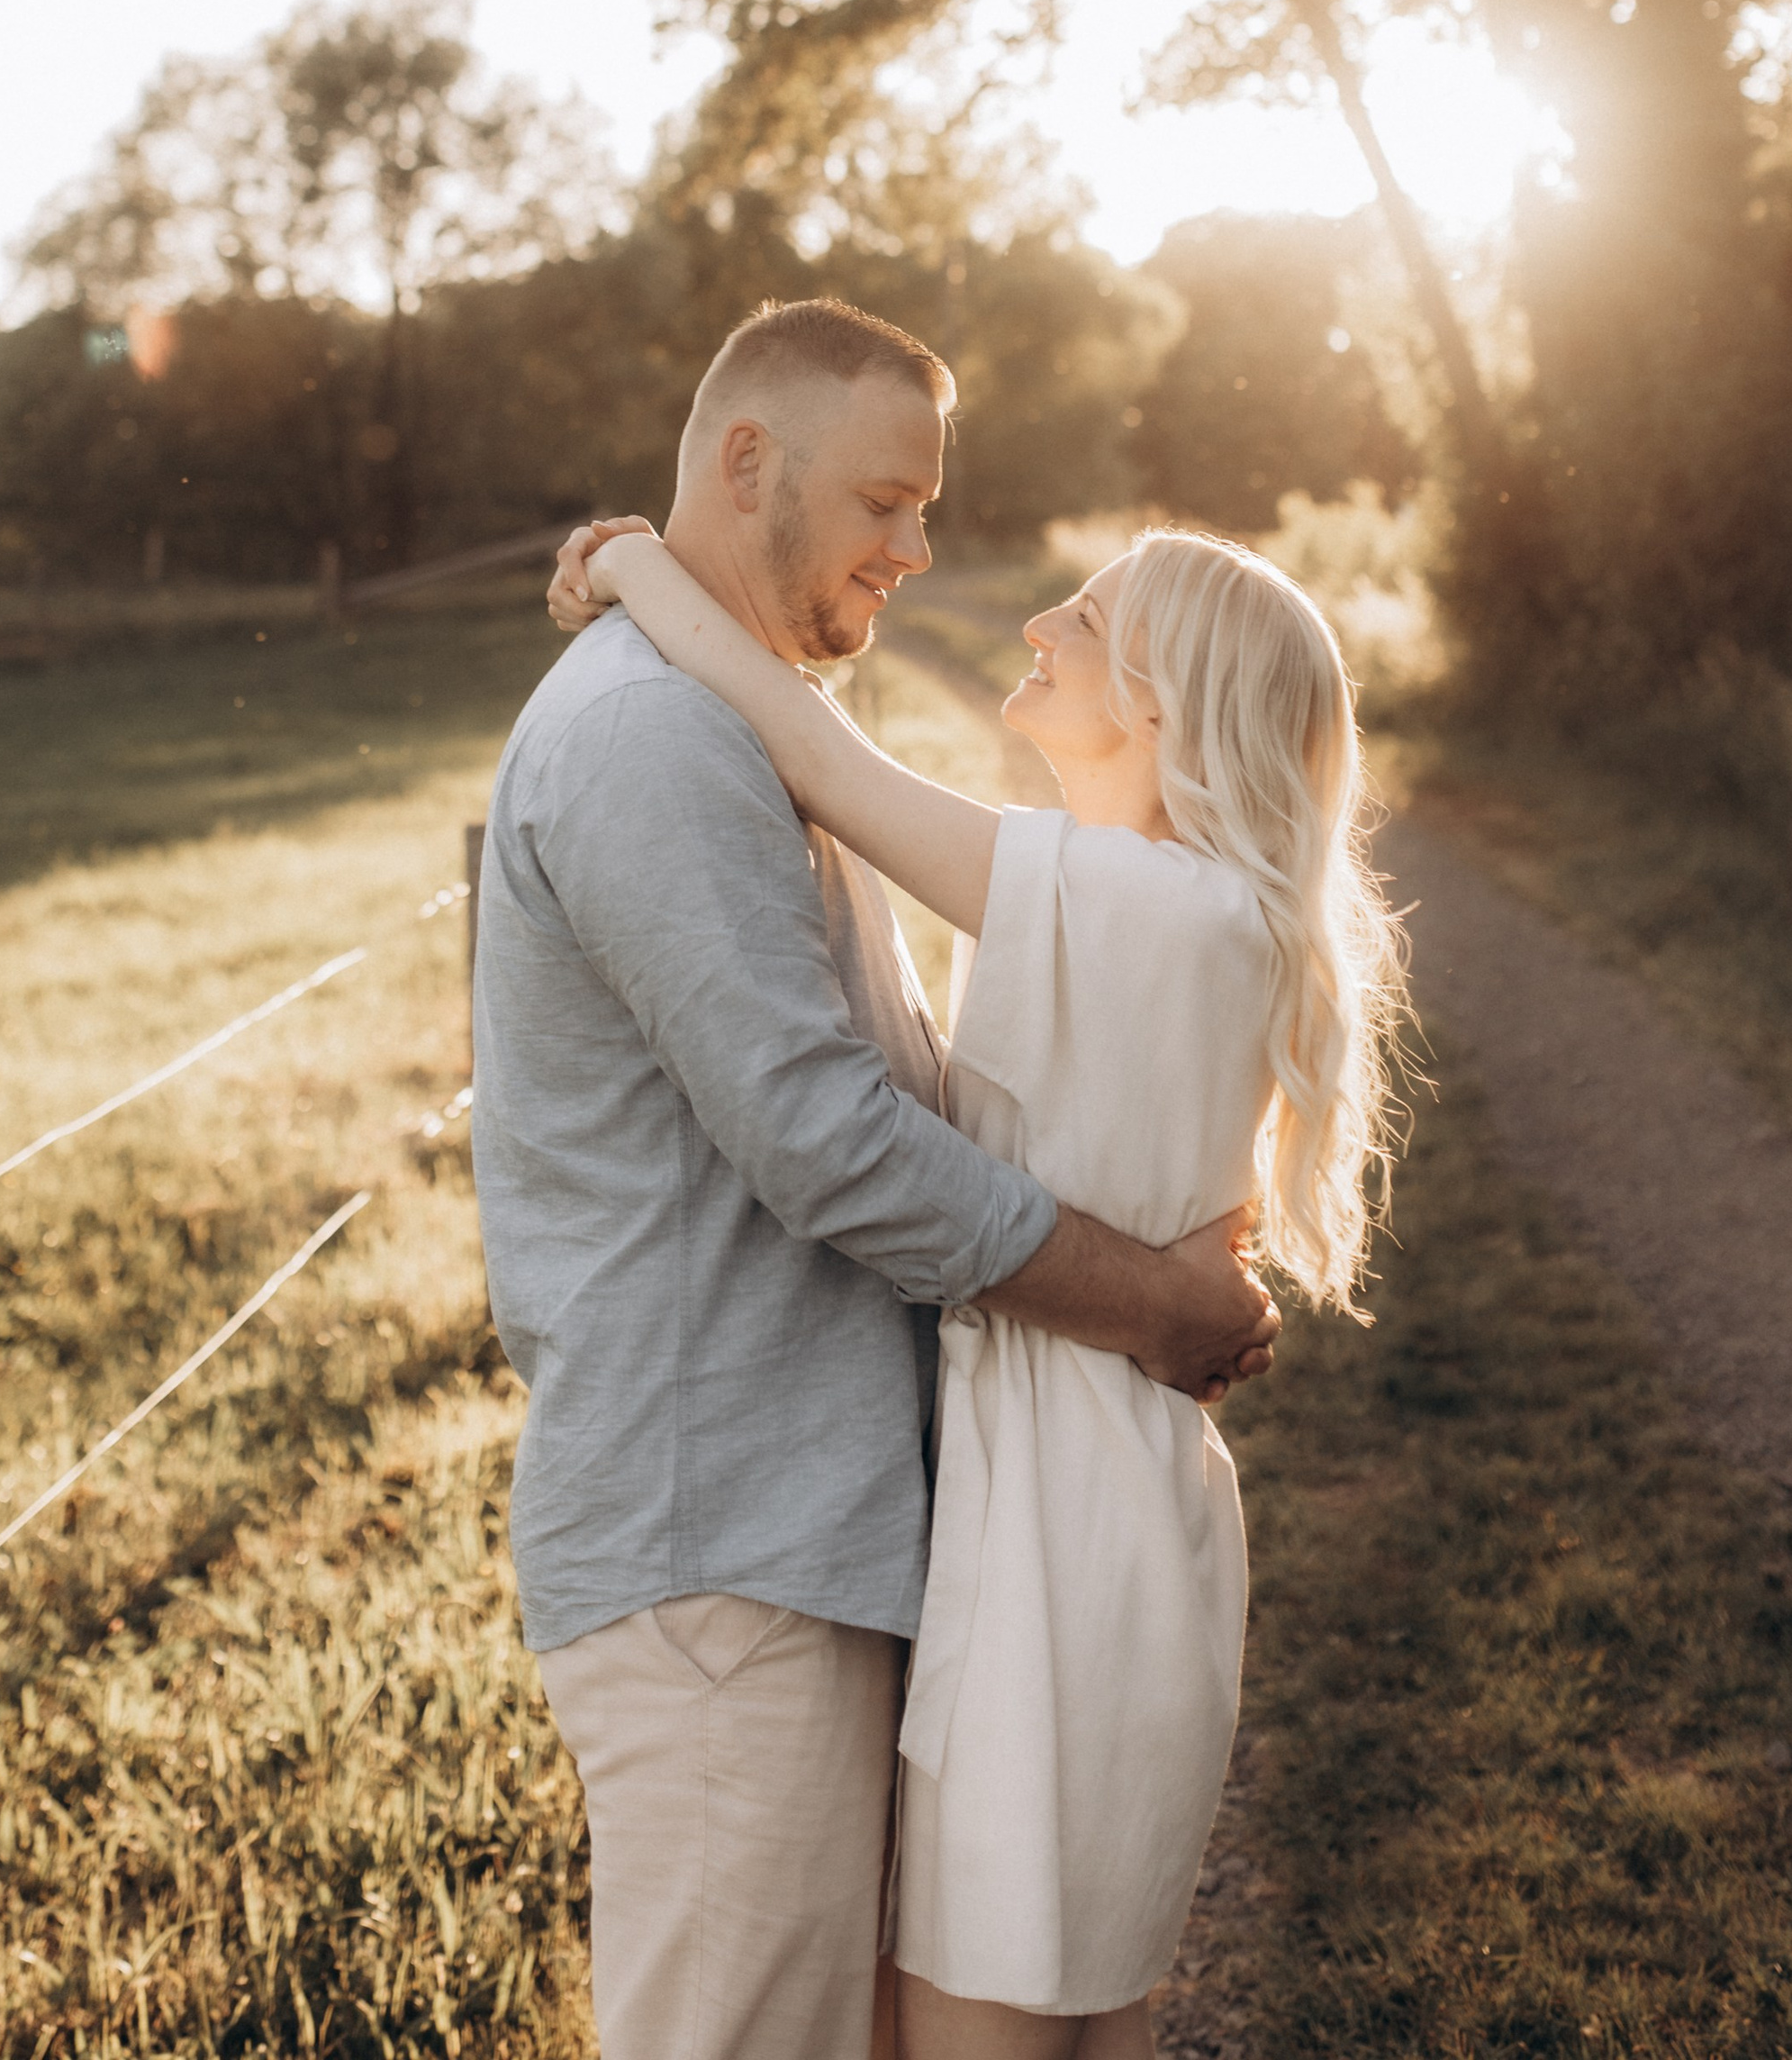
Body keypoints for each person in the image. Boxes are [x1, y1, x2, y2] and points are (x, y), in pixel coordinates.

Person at [471, 298, 1279, 2060]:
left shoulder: (729, 730)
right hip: (720, 1553)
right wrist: (1155, 1299)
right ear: (744, 462)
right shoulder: (652, 743)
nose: (914, 550)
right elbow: (829, 1143)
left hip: (800, 1532)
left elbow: (902, 1094)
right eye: (882, 503)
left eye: (923, 510)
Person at [566, 502, 1403, 2060]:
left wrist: (630, 569)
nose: (1034, 628)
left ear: (1155, 694)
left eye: (1078, 616)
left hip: (1058, 1534)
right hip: (1111, 1512)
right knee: (1085, 2009)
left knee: (979, 2016)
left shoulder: (1142, 905)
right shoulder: (1188, 910)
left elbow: (816, 756)